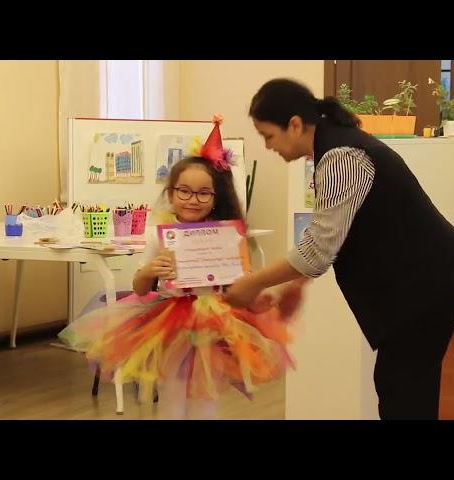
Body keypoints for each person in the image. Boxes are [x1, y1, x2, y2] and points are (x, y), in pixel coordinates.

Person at [224, 79, 454, 420]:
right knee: (404, 384)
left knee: (402, 387)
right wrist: (296, 284)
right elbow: (335, 235)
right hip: (428, 281)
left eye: (268, 135)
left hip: (428, 283)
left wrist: (253, 283)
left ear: (295, 125)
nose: (268, 146)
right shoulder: (337, 147)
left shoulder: (341, 157)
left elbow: (316, 251)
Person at [59, 116, 300, 419]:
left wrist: (247, 286)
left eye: (203, 193)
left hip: (218, 321)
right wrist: (150, 271)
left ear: (216, 197)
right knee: (172, 397)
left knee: (205, 397)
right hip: (170, 321)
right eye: (184, 191)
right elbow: (139, 288)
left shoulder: (227, 236)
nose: (192, 200)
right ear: (171, 193)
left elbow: (240, 283)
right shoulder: (157, 236)